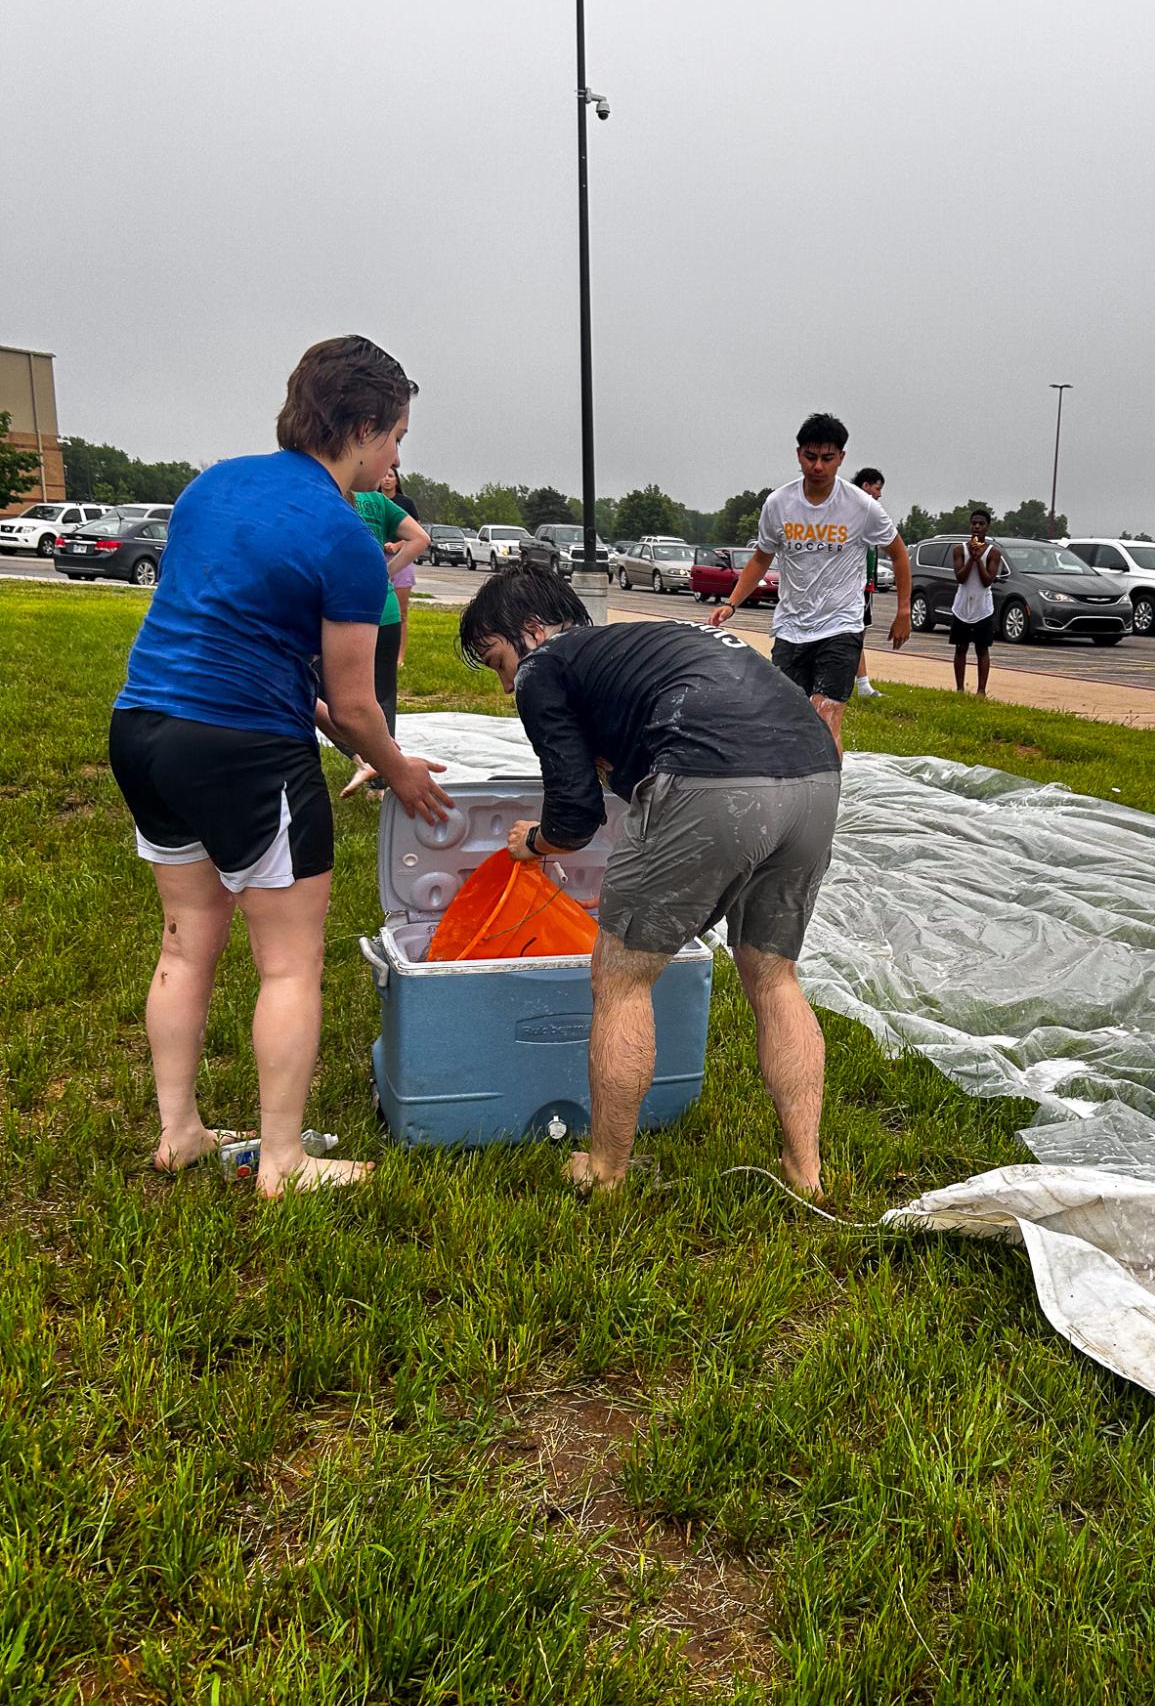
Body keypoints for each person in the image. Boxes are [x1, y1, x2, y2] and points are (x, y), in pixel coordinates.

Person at [108, 335, 452, 1197]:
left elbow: (252, 655)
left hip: (142, 729)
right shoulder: (341, 534)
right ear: (364, 425)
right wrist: (399, 770)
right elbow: (358, 697)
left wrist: (357, 744)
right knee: (289, 964)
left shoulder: (211, 484)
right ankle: (284, 1160)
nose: (396, 457)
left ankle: (180, 1132)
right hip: (245, 749)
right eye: (396, 436)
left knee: (186, 946)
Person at [459, 567, 842, 1197]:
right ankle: (806, 1171)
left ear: (530, 631)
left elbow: (575, 819)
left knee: (621, 977)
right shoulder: (637, 646)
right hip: (816, 777)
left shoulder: (543, 667)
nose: (506, 683)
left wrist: (532, 843)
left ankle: (607, 1169)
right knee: (773, 974)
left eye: (498, 660)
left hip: (712, 775)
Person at [710, 412, 911, 750]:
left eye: (827, 458)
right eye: (810, 457)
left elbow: (899, 554)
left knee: (825, 718)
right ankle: (791, 794)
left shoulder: (861, 507)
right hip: (791, 628)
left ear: (840, 459)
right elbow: (762, 556)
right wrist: (732, 602)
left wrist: (903, 610)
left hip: (841, 625)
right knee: (786, 720)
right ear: (798, 454)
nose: (818, 467)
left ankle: (825, 801)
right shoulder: (779, 504)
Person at [337, 470, 428, 795]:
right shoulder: (378, 503)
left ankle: (363, 760)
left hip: (347, 612)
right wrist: (387, 572)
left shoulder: (333, 498)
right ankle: (381, 777)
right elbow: (420, 539)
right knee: (383, 696)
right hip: (384, 607)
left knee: (336, 694)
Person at [951, 509, 1000, 695]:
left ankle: (981, 691)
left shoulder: (993, 553)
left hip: (982, 608)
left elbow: (987, 580)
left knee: (982, 649)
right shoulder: (959, 550)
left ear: (987, 527)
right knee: (960, 648)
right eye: (974, 523)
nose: (977, 527)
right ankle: (960, 689)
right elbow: (961, 578)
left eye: (981, 524)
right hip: (962, 607)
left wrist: (979, 559)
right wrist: (971, 558)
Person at [851, 464, 885, 699]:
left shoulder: (871, 513)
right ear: (865, 486)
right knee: (849, 634)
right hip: (850, 584)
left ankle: (862, 685)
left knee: (858, 633)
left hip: (865, 584)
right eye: (877, 488)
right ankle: (858, 683)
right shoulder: (851, 511)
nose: (880, 494)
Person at [385, 464, 423, 666]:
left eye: (391, 475)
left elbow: (417, 534)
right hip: (378, 557)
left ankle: (399, 656)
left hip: (402, 559)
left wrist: (397, 545)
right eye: (384, 475)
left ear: (397, 480)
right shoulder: (374, 500)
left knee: (401, 613)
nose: (387, 479)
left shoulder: (405, 503)